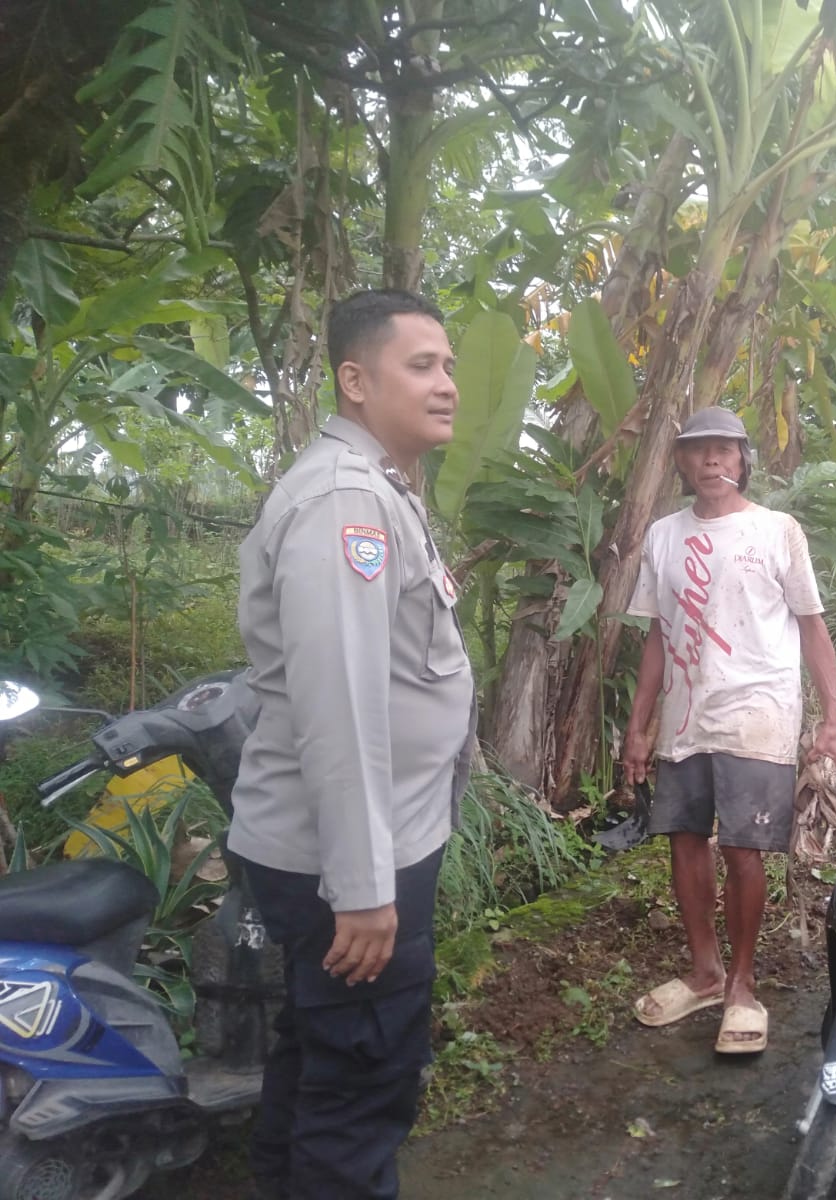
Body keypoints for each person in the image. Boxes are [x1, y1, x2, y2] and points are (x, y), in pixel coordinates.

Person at [230, 289, 476, 1199]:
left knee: (320, 1056)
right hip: (352, 865)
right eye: (422, 365)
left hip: (356, 848)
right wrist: (365, 887)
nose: (447, 384)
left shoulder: (375, 488)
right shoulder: (347, 502)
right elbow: (338, 707)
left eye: (449, 366)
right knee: (361, 1083)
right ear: (356, 381)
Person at [621, 407, 836, 1054]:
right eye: (698, 450)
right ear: (681, 462)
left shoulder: (777, 531)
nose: (712, 460)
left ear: (744, 459)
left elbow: (811, 626)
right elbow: (658, 636)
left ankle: (743, 986)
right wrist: (639, 727)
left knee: (743, 849)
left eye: (724, 449)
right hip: (685, 716)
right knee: (684, 840)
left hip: (758, 713)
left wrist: (831, 718)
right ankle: (705, 973)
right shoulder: (664, 535)